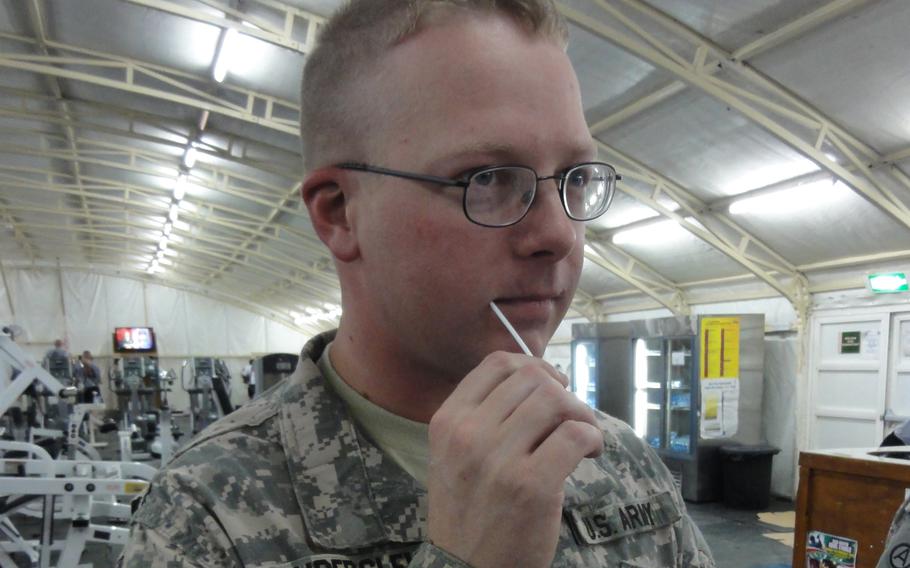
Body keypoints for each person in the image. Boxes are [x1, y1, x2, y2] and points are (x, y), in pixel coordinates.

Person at [121, 1, 714, 566]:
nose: (558, 233)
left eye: (574, 178)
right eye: (486, 179)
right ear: (338, 213)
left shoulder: (618, 461)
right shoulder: (209, 514)